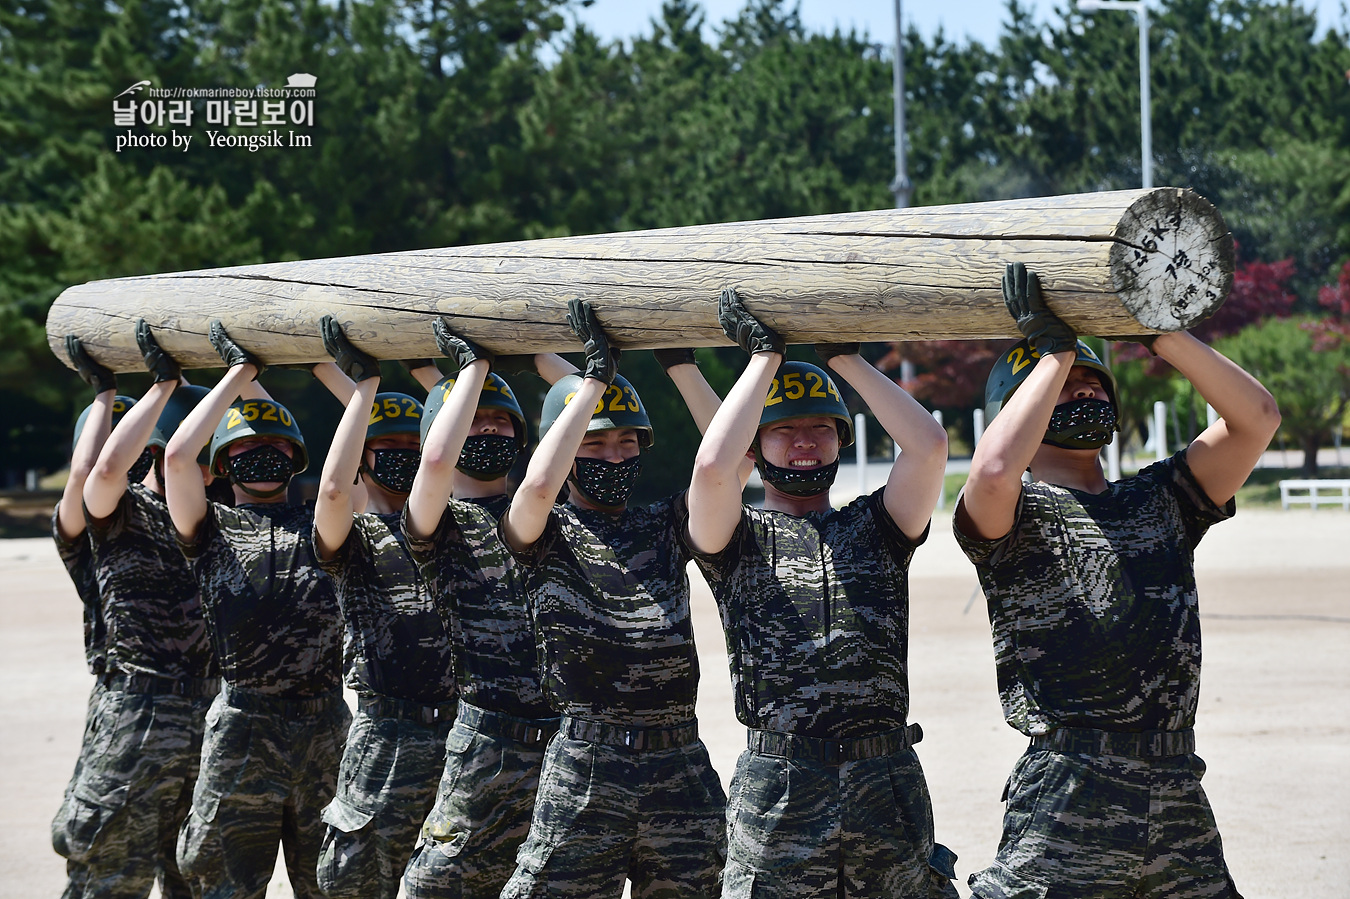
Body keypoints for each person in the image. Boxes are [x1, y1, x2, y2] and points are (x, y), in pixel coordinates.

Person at [953, 262, 1281, 899]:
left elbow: (1256, 419)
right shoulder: (1014, 512)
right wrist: (1054, 356)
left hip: (1176, 781)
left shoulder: (1162, 497)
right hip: (1070, 785)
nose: (1086, 394)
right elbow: (992, 469)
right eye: (1065, 386)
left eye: (1095, 385)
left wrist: (1159, 331)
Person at [684, 288, 959, 898]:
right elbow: (711, 471)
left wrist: (847, 360)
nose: (805, 441)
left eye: (821, 429)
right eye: (784, 430)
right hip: (779, 784)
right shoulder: (736, 537)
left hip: (883, 780)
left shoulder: (877, 528)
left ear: (844, 441)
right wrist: (764, 359)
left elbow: (929, 447)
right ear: (755, 447)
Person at [497, 301, 728, 899]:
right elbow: (541, 483)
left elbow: (729, 463)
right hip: (586, 764)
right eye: (596, 444)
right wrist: (593, 381)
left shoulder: (665, 521)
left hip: (680, 763)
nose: (616, 456)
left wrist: (682, 368)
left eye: (629, 443)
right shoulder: (542, 531)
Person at [165, 321, 350, 899]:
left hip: (325, 725)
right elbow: (175, 457)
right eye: (243, 447)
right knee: (223, 883)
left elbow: (357, 455)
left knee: (330, 881)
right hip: (245, 724)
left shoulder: (325, 524)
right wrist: (238, 376)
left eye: (274, 447)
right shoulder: (209, 528)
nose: (261, 455)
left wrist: (328, 369)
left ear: (295, 457)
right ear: (221, 463)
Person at [400, 324, 576, 899]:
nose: (489, 428)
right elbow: (433, 462)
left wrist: (539, 356)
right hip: (489, 743)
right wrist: (475, 367)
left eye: (501, 420)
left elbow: (592, 406)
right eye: (475, 418)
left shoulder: (548, 509)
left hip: (566, 742)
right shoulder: (436, 520)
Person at [309, 316, 459, 899]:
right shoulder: (348, 534)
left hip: (466, 732)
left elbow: (461, 435)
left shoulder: (462, 526)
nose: (400, 456)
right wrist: (362, 385)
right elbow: (330, 489)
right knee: (360, 881)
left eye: (410, 446)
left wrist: (432, 366)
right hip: (388, 736)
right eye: (384, 448)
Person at [49, 336, 140, 895]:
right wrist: (105, 394)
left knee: (196, 869)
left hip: (208, 706)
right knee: (106, 868)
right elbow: (88, 477)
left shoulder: (182, 519)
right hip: (127, 708)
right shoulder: (91, 530)